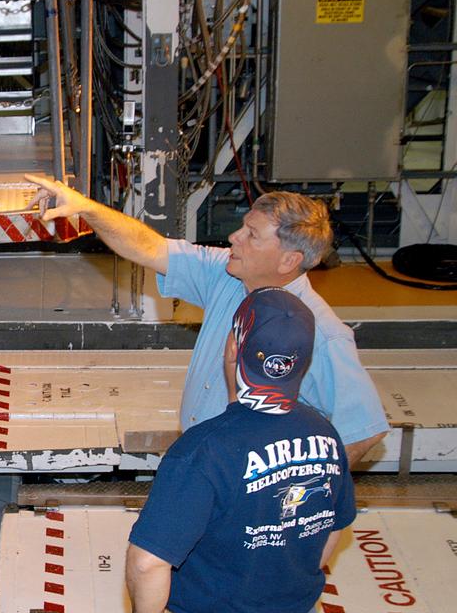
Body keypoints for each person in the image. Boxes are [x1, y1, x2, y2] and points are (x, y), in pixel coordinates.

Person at [125, 288, 356, 613]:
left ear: (233, 347)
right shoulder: (325, 434)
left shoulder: (205, 450)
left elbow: (148, 561)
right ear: (302, 362)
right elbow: (336, 528)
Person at [26, 176, 388, 464]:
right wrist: (87, 208)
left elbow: (364, 430)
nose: (234, 237)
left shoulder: (322, 334)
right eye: (242, 227)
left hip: (246, 485)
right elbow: (151, 247)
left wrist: (304, 495)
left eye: (251, 235)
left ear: (288, 261)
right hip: (201, 459)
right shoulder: (229, 276)